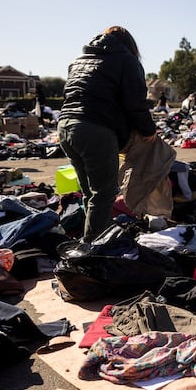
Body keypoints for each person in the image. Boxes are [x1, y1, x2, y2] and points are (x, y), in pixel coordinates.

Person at [57, 26, 157, 242]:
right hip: (95, 129)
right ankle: (93, 250)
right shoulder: (127, 61)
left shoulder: (79, 60)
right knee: (103, 193)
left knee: (90, 193)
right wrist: (149, 130)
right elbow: (136, 102)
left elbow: (71, 93)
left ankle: (91, 238)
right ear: (130, 44)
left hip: (65, 126)